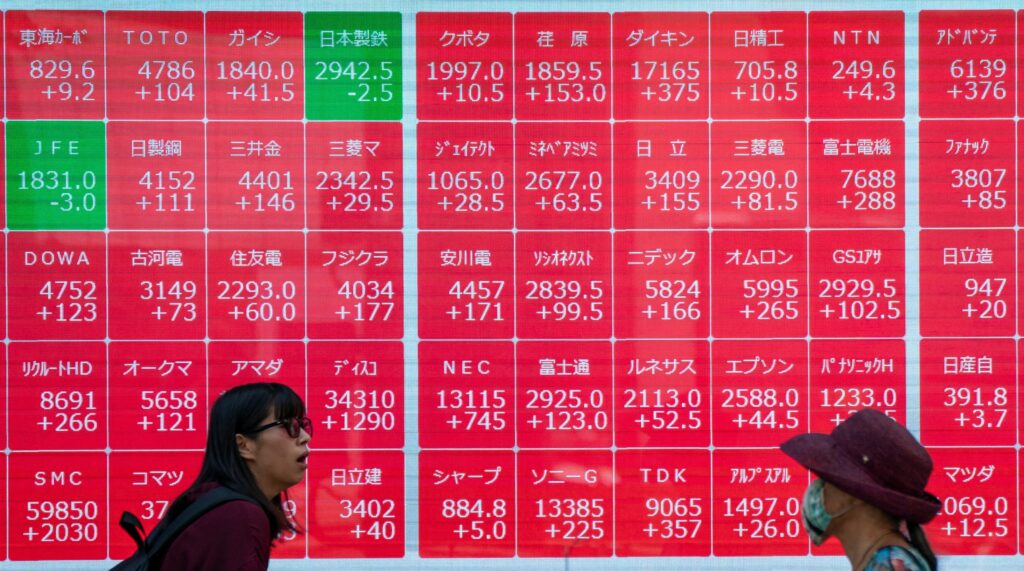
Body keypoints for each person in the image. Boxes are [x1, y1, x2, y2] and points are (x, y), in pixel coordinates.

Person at [150, 382, 312, 570]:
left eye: (302, 425)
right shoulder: (238, 516)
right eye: (288, 425)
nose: (304, 437)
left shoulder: (220, 504)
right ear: (244, 446)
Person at [781, 408, 941, 571]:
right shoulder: (886, 559)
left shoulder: (889, 566)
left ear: (856, 494)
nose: (817, 487)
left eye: (828, 480)